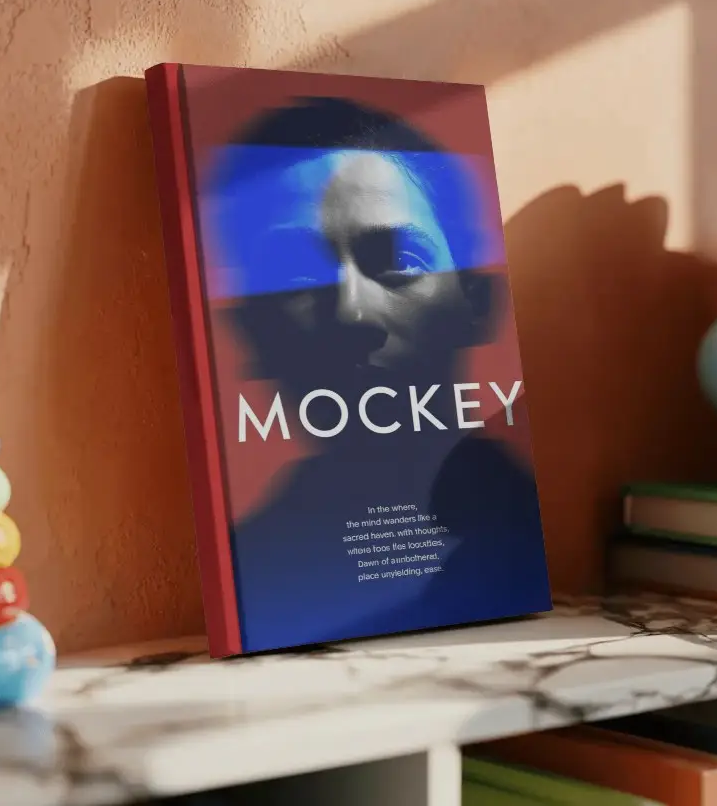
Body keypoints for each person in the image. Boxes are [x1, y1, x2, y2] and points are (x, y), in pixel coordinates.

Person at [199, 96, 550, 652]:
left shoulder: (523, 542)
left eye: (399, 259)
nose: (352, 312)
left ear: (477, 302)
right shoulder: (258, 569)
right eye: (291, 273)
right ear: (249, 332)